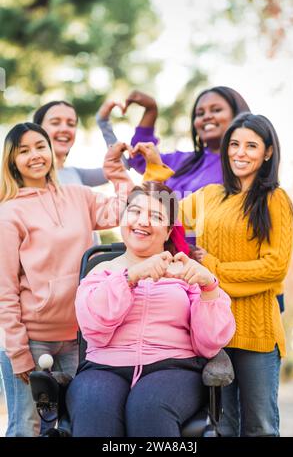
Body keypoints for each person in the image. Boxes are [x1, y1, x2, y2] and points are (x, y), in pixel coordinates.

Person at [144, 113, 293, 436]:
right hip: (213, 333)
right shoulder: (211, 195)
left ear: (268, 152)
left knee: (261, 427)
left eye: (251, 146)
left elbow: (274, 268)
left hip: (257, 334)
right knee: (221, 427)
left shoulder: (274, 199)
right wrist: (153, 168)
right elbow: (166, 208)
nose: (240, 152)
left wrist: (211, 268)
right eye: (235, 144)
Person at [66, 181, 236, 437]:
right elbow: (94, 329)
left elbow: (209, 344)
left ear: (168, 232)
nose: (142, 221)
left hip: (173, 368)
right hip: (104, 367)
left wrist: (209, 287)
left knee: (148, 407)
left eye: (155, 216)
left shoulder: (185, 274)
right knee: (94, 406)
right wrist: (129, 278)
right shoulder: (101, 270)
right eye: (134, 211)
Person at [0, 122, 132, 437]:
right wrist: (18, 353)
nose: (35, 155)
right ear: (12, 161)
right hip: (32, 340)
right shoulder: (9, 214)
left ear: (50, 151)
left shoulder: (79, 196)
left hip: (79, 337)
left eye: (40, 146)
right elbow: (4, 289)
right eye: (24, 150)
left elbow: (125, 211)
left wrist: (118, 174)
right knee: (26, 427)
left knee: (76, 423)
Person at [97, 87, 250, 198]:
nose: (206, 116)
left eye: (216, 110)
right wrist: (151, 110)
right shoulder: (182, 161)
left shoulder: (244, 166)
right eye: (200, 113)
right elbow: (139, 157)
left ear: (238, 116)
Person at [33, 100, 108, 186]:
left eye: (71, 124)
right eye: (55, 123)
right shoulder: (24, 178)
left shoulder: (76, 174)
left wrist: (103, 122)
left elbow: (120, 167)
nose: (65, 129)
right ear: (37, 130)